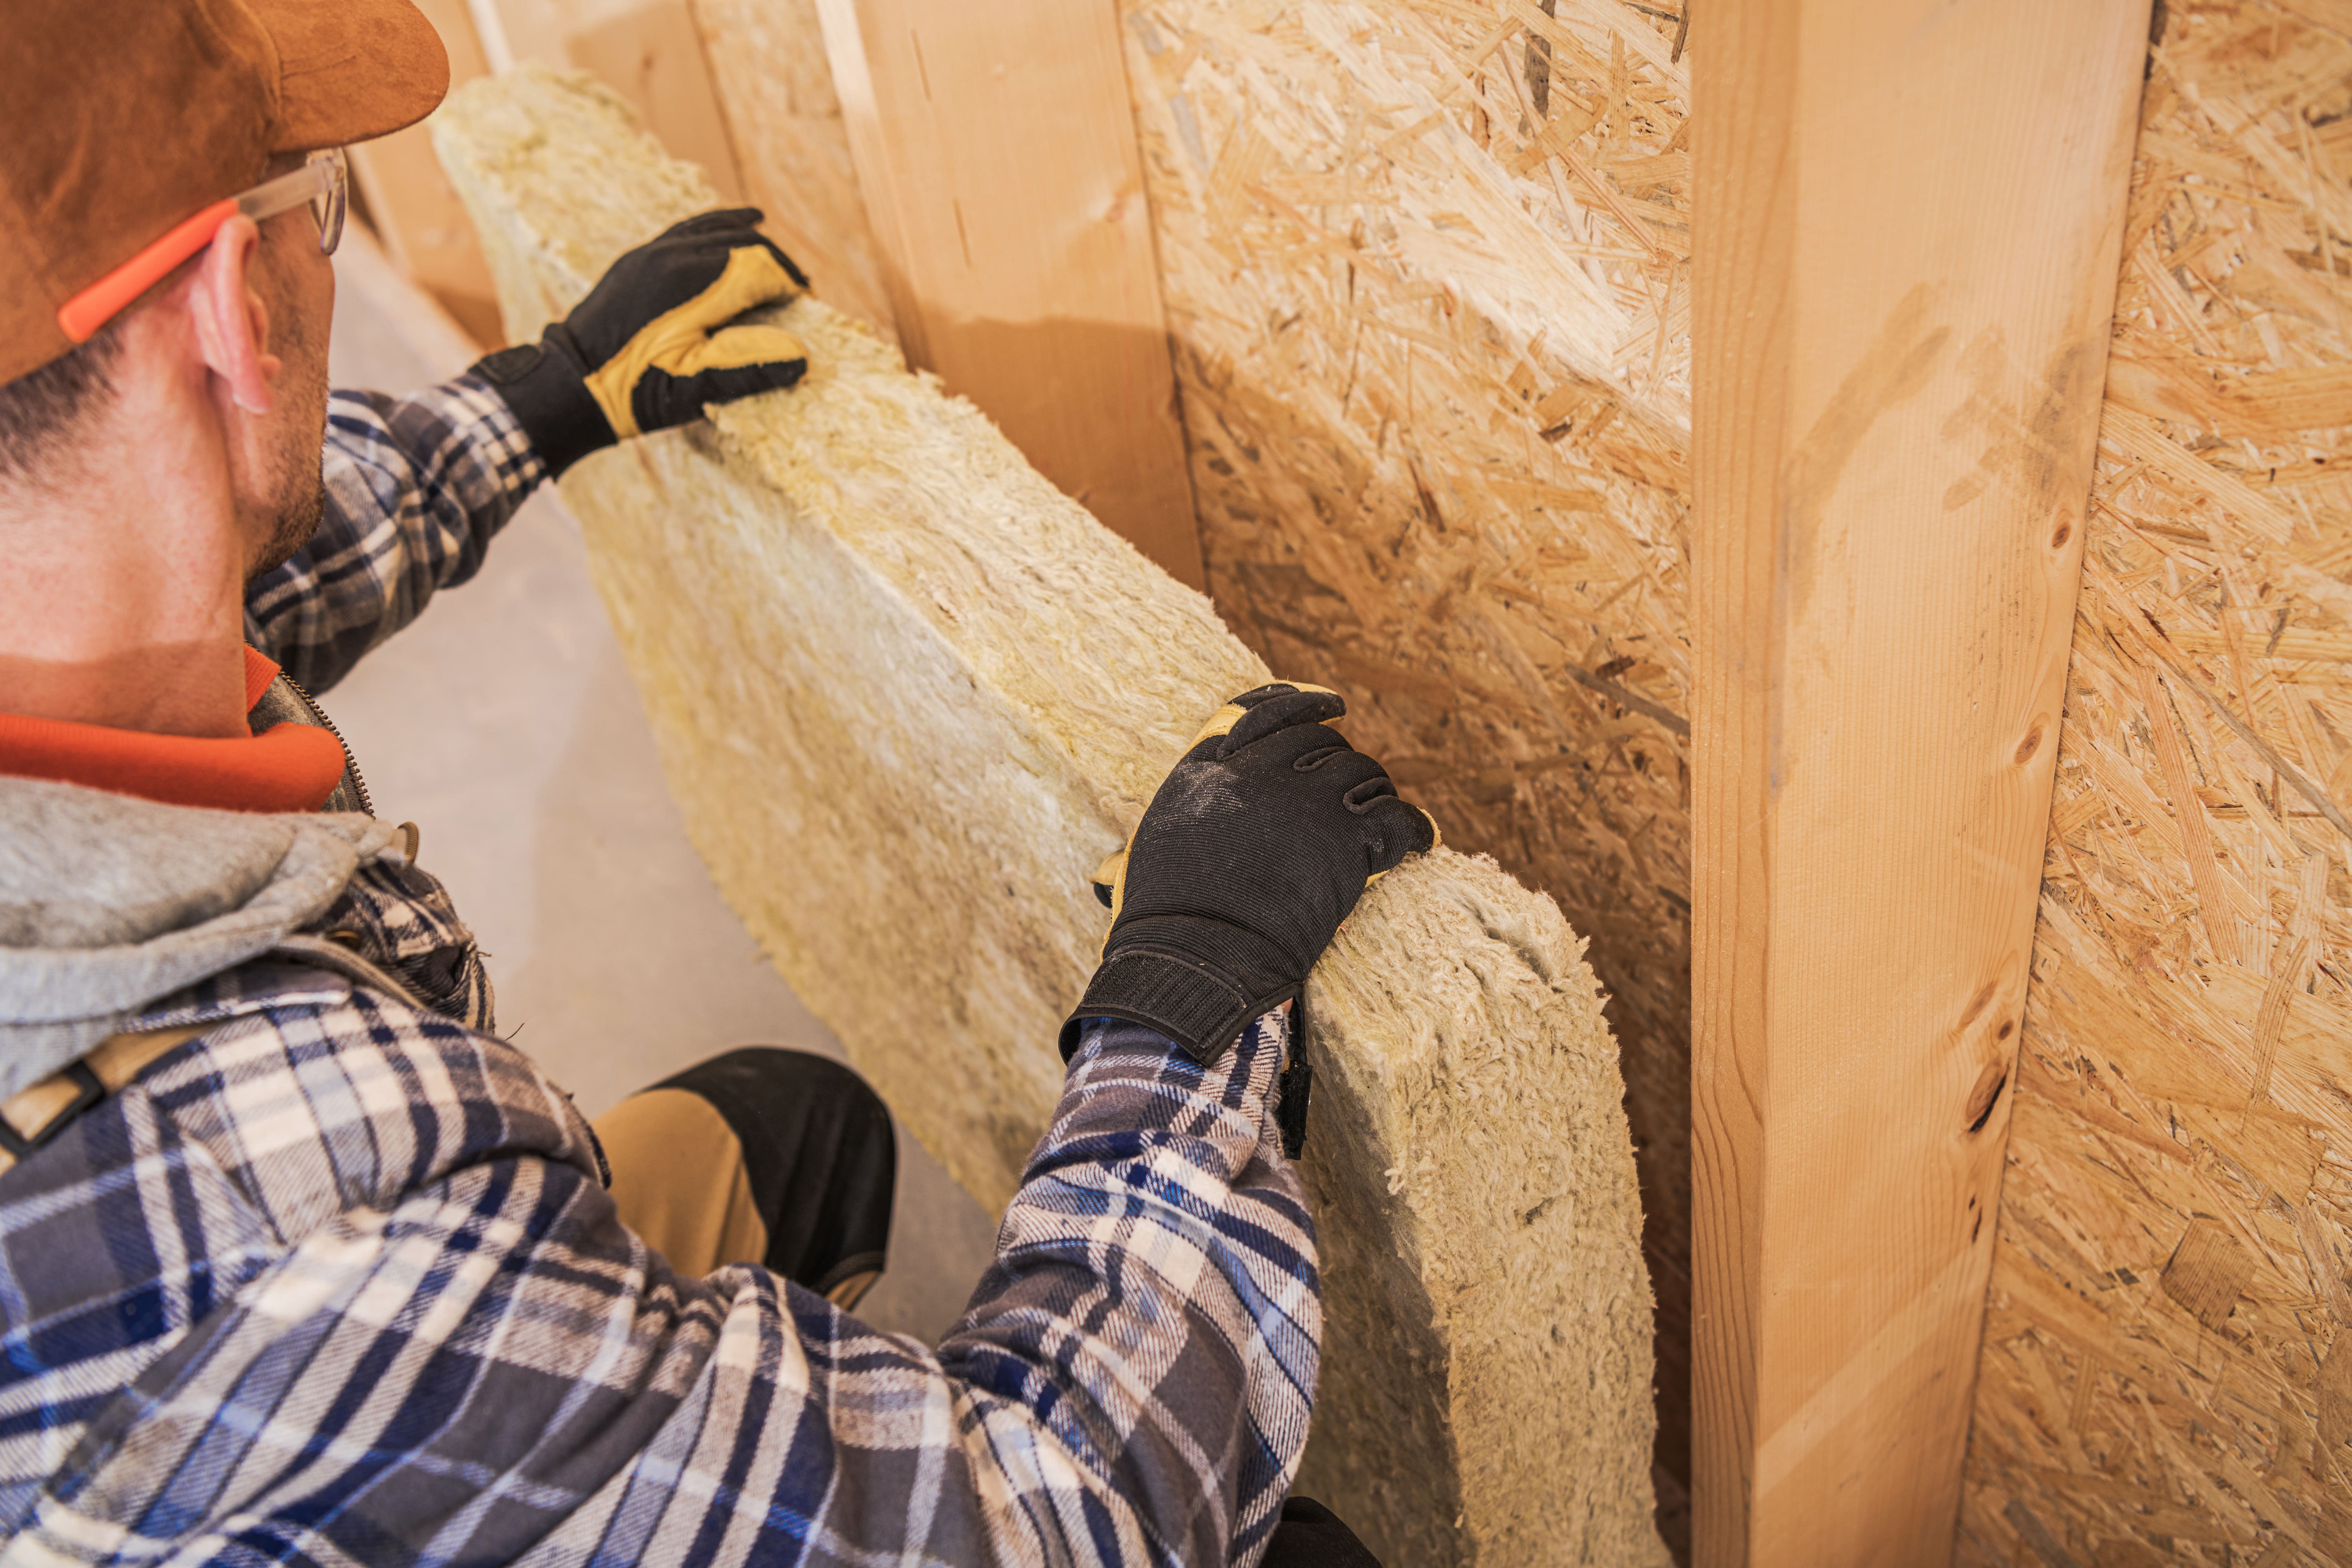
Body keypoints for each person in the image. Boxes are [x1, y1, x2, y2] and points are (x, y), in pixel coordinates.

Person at [0, 1, 1432, 1563]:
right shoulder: (295, 1209)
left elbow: (200, 566)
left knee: (796, 1133)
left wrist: (541, 398)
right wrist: (1186, 999)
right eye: (307, 201)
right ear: (230, 310)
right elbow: (1059, 1519)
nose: (318, 243)